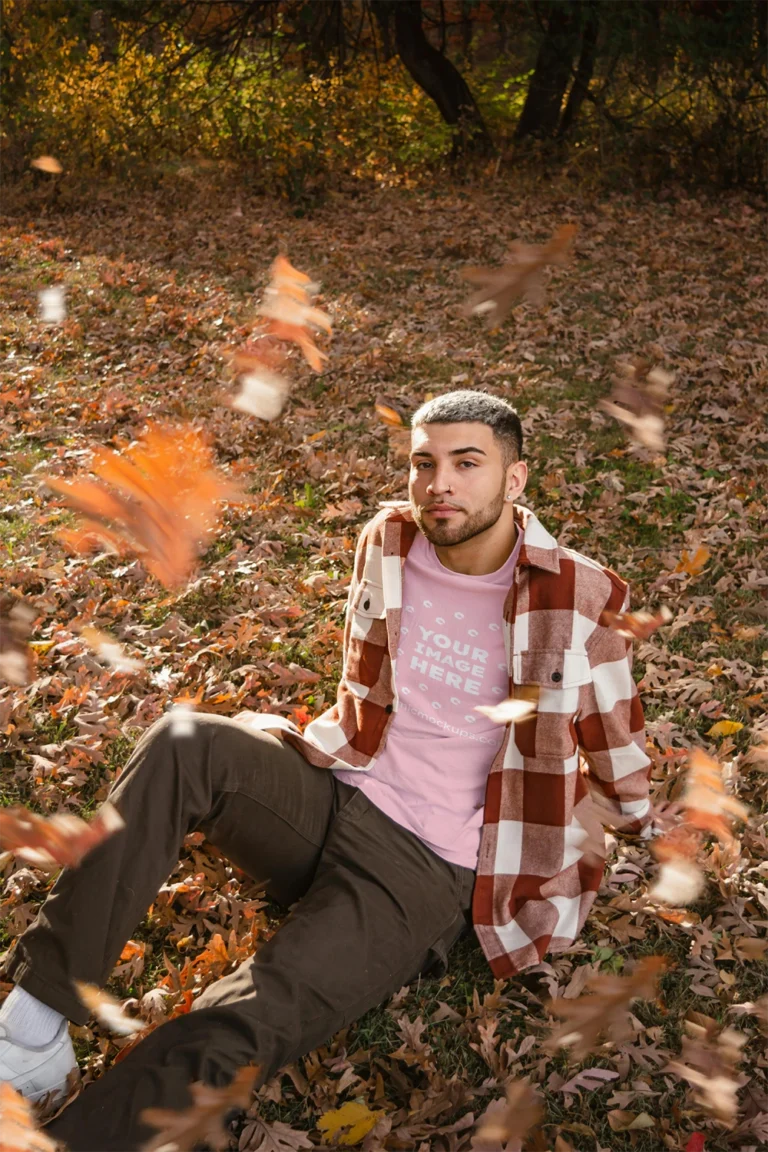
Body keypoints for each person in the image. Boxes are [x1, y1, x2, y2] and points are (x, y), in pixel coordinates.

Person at [0, 391, 652, 1150]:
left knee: (247, 1013)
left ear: (515, 481)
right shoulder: (389, 540)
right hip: (337, 788)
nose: (438, 483)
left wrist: (544, 861)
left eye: (466, 464)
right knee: (185, 740)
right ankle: (33, 1027)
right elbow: (365, 691)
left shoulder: (577, 598)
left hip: (424, 868)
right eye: (424, 463)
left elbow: (623, 777)